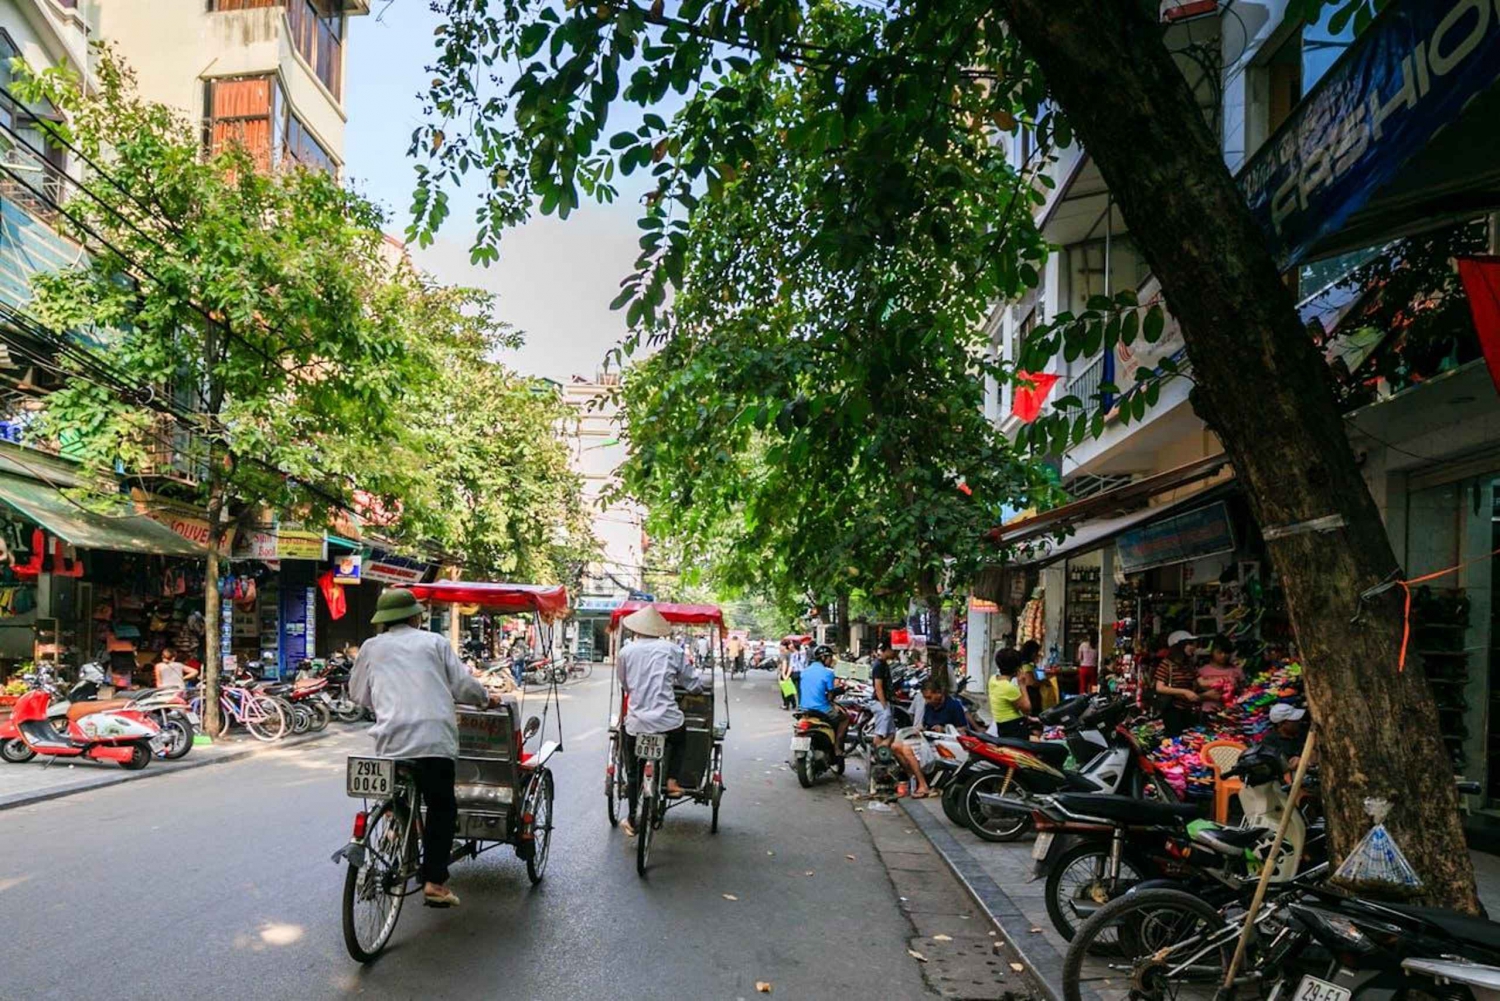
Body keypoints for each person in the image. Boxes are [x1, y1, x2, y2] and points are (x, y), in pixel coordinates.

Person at [349, 588, 501, 908]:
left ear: (384, 621)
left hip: (391, 740)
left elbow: (358, 695)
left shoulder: (370, 648)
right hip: (433, 739)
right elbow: (463, 686)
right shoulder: (434, 642)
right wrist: (486, 700)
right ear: (415, 616)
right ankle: (434, 882)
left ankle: (394, 824)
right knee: (441, 808)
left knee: (395, 793)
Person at [616, 605, 703, 837]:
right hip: (667, 721)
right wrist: (694, 688)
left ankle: (632, 818)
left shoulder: (626, 652)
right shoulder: (672, 650)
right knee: (680, 736)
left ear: (637, 630)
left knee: (634, 772)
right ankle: (673, 780)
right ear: (659, 630)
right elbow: (692, 682)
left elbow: (624, 684)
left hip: (636, 723)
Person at [869, 642, 930, 797]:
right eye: (892, 650)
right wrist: (884, 705)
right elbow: (878, 686)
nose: (894, 652)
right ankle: (879, 757)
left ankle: (880, 757)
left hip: (886, 702)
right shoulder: (878, 665)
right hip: (880, 703)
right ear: (886, 650)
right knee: (883, 734)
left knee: (890, 733)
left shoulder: (884, 664)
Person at [797, 644, 849, 752]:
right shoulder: (828, 673)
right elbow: (830, 696)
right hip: (821, 709)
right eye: (830, 657)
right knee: (844, 718)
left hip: (803, 708)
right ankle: (837, 746)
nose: (831, 660)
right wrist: (841, 689)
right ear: (823, 657)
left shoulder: (804, 672)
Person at [1153, 630, 1201, 737]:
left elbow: (1200, 681)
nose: (1193, 647)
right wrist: (1185, 692)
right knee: (1175, 739)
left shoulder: (1189, 665)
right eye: (1189, 644)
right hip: (1173, 710)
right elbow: (1159, 687)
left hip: (1188, 709)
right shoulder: (1166, 664)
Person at [988, 648, 1031, 740]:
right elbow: (1027, 709)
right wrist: (1022, 685)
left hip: (1002, 726)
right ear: (1018, 668)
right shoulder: (1009, 688)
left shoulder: (993, 679)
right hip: (1014, 727)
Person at [1196, 635, 1243, 709]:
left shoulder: (1237, 671)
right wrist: (1205, 696)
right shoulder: (1202, 671)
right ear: (1212, 652)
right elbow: (1194, 696)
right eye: (1219, 652)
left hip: (1231, 713)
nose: (1223, 655)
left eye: (1226, 653)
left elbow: (1243, 692)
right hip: (1207, 711)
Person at [1261, 703, 1314, 769]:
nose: (1297, 722)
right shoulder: (1270, 742)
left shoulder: (1304, 731)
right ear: (1281, 724)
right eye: (1293, 721)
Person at [1018, 640, 1044, 714]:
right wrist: (1043, 682)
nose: (1037, 655)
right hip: (1031, 695)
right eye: (1036, 653)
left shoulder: (1024, 665)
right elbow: (1031, 682)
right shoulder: (1027, 666)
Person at [776, 643, 797, 710]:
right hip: (792, 672)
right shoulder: (791, 653)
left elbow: (784, 664)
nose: (779, 647)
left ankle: (786, 705)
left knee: (784, 689)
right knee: (789, 688)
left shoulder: (784, 654)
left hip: (785, 672)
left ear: (785, 646)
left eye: (781, 646)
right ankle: (793, 703)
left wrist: (783, 674)